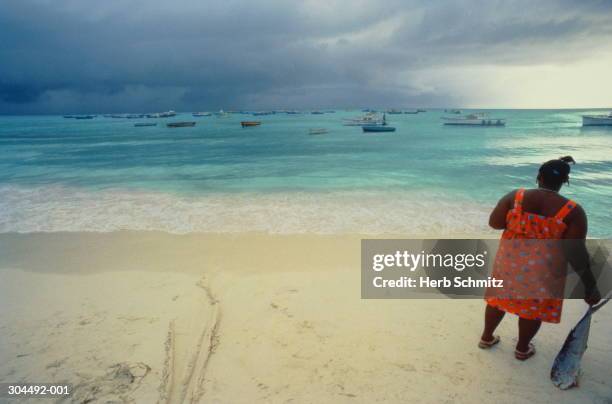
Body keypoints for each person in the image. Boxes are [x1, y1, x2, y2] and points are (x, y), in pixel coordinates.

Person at [479, 156, 600, 360]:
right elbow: (575, 252)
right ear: (565, 182)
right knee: (532, 309)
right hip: (543, 270)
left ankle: (486, 337)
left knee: (497, 299)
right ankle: (522, 349)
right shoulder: (572, 212)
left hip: (510, 262)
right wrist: (590, 285)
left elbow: (495, 223)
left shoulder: (515, 197)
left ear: (538, 176)